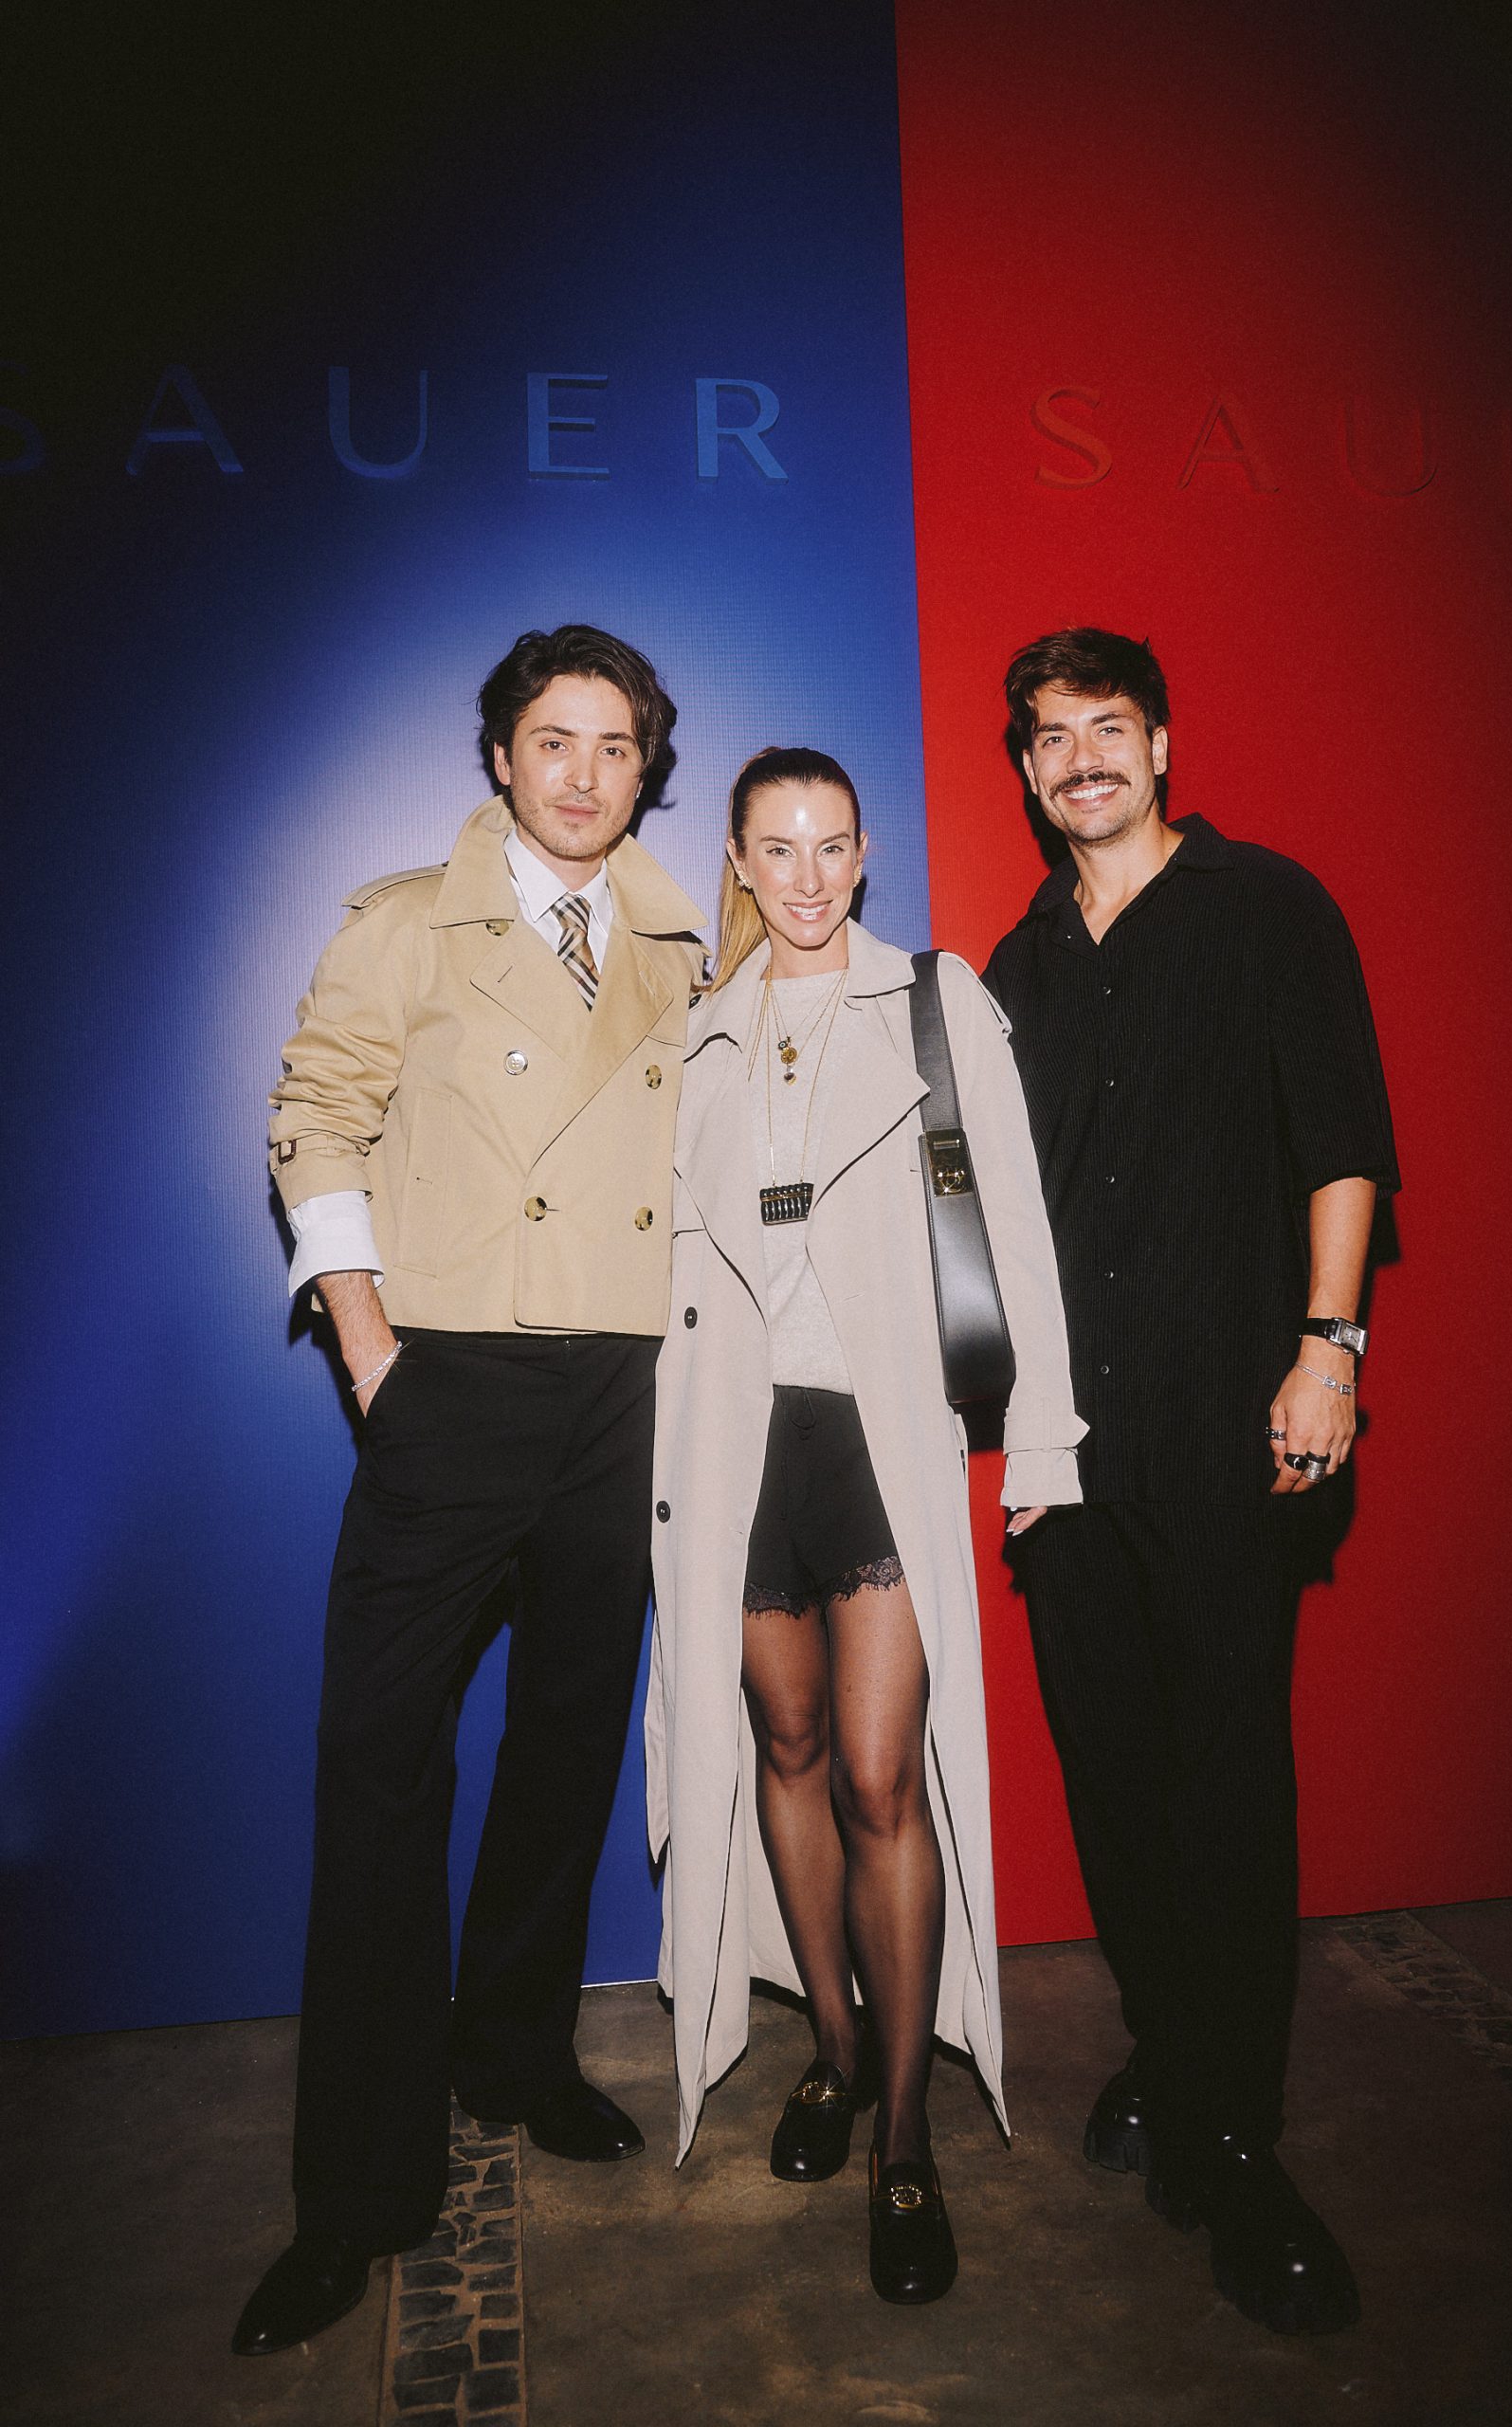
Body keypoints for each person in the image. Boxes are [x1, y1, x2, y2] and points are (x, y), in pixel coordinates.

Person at [233, 625, 705, 2358]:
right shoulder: (403, 924)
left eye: (616, 745)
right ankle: (356, 2194)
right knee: (381, 1771)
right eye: (553, 739)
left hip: (625, 1388)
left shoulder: (683, 936)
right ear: (500, 755)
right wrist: (372, 1351)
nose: (584, 773)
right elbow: (314, 1117)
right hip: (451, 1380)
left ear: (647, 768)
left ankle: (512, 2053)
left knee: (570, 1741)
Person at [983, 628, 1399, 2336]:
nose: (1081, 756)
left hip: (1235, 1423)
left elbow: (1345, 1143)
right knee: (1113, 1772)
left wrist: (1330, 1348)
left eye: (1108, 726)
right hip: (1067, 1447)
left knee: (1224, 1776)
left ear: (1161, 743)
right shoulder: (1013, 967)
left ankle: (1240, 2140)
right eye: (1050, 735)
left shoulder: (1270, 908)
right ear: (1026, 770)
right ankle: (1167, 2049)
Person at [646, 746, 1084, 2304]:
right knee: (784, 1750)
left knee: (886, 1776)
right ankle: (830, 2051)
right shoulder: (701, 1031)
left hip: (874, 1444)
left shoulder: (934, 1004)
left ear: (866, 852)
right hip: (738, 1450)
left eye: (832, 845)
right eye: (778, 848)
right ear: (740, 863)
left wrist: (1045, 1434)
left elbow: (1016, 1223)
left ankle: (905, 2133)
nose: (809, 876)